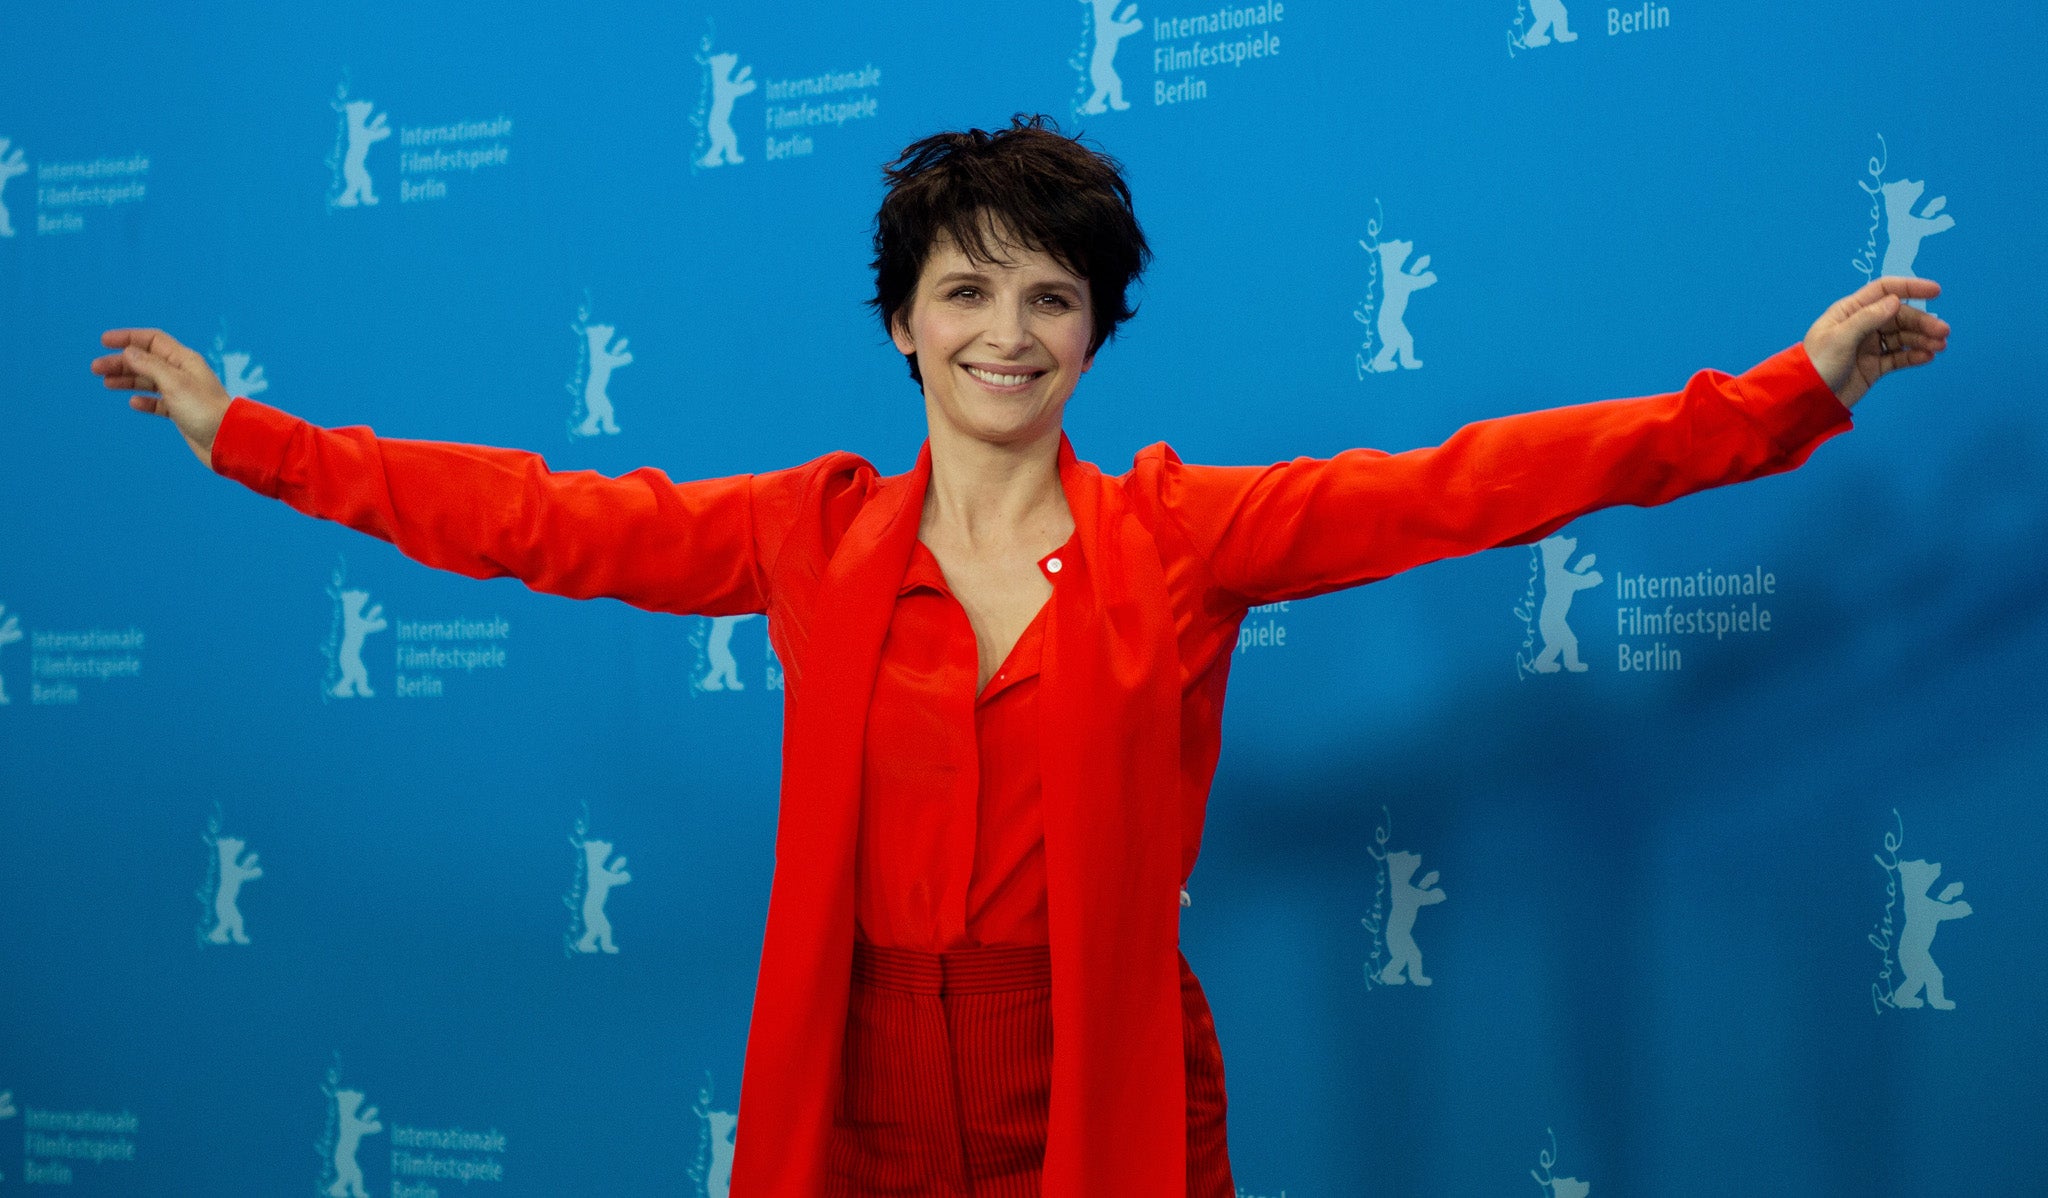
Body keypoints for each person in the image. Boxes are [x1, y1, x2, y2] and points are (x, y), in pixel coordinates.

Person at [90, 116, 1948, 1198]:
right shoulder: (802, 534)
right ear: (902, 320)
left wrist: (1786, 398)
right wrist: (249, 434)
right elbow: (529, 515)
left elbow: (1482, 483)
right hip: (868, 1059)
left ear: (1094, 332)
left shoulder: (1184, 537)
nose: (1007, 327)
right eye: (965, 288)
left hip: (1101, 1057)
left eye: (1050, 294)